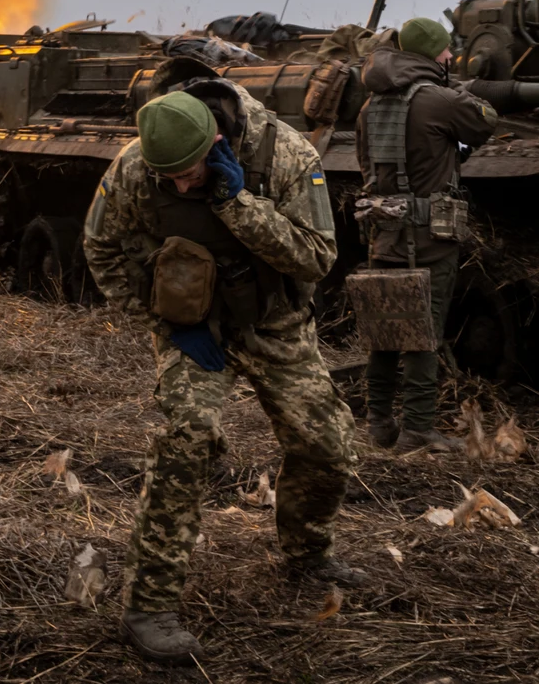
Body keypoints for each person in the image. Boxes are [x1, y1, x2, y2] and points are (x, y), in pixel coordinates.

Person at [83, 80, 358, 664]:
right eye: (171, 180)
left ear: (218, 142)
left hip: (273, 320)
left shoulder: (286, 156)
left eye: (191, 173)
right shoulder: (135, 164)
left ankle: (307, 554)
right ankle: (148, 607)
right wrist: (160, 319)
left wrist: (239, 205)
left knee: (326, 446)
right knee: (187, 441)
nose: (181, 186)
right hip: (193, 326)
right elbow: (101, 247)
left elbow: (316, 256)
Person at [354, 17, 498, 454]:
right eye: (444, 51)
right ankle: (418, 427)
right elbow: (485, 122)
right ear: (428, 55)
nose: (450, 57)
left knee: (384, 329)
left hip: (384, 233)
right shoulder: (438, 100)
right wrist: (465, 93)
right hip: (430, 238)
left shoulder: (370, 106)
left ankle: (378, 421)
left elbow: (365, 166)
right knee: (424, 331)